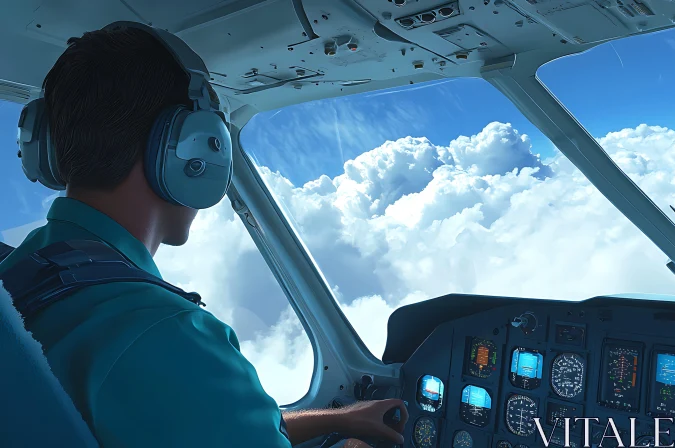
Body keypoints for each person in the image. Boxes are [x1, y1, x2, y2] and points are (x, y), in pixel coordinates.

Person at [0, 24, 407, 447]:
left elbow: (195, 423)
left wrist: (337, 421)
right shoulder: (164, 336)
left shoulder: (20, 276)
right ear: (192, 148)